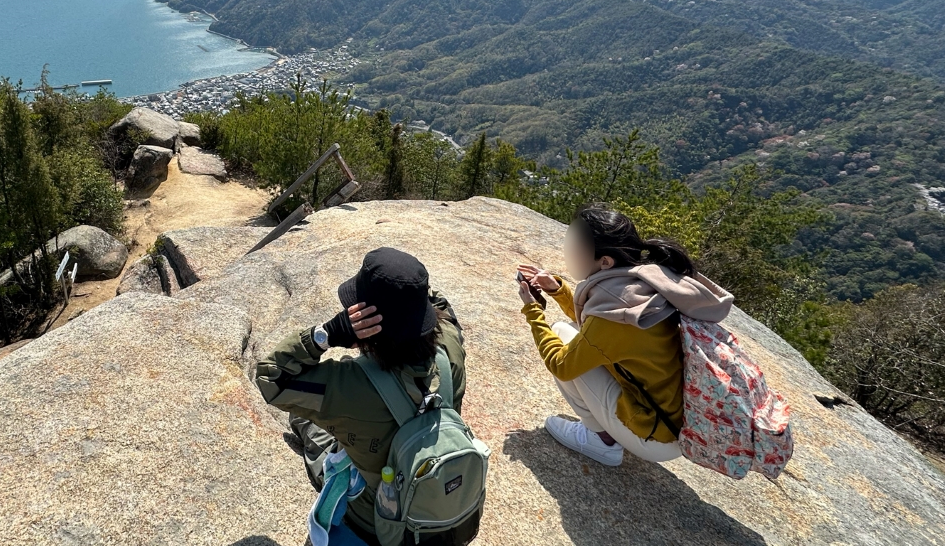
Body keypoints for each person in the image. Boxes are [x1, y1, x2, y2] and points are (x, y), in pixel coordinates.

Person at [255, 247, 476, 546]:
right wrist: (406, 294)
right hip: (436, 508)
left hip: (374, 523)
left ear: (364, 327)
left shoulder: (349, 387)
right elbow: (443, 307)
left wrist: (328, 334)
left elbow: (272, 378)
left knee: (305, 418)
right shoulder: (450, 351)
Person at [517, 205, 733, 467]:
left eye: (578, 248)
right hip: (672, 418)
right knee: (570, 333)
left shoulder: (618, 312)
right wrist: (558, 291)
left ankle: (603, 441)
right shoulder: (640, 282)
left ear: (605, 261)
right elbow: (597, 329)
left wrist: (533, 311)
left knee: (562, 337)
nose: (571, 253)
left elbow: (562, 365)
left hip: (655, 435)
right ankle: (615, 429)